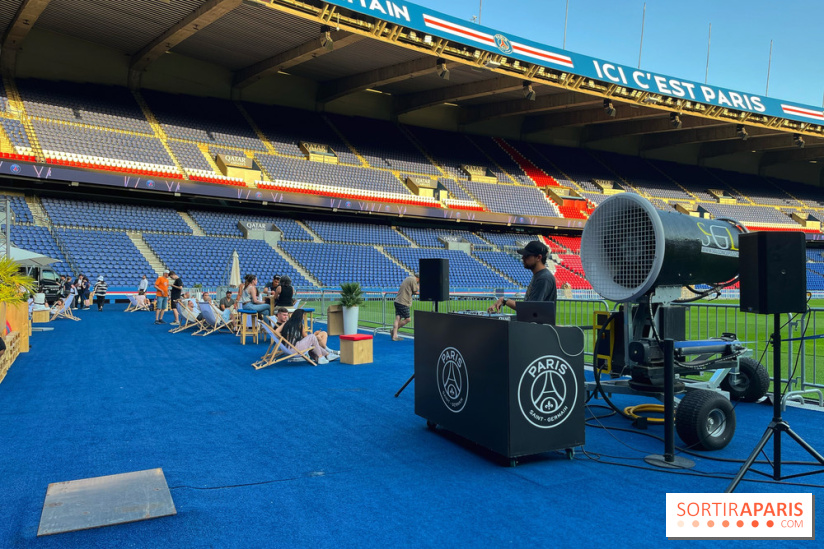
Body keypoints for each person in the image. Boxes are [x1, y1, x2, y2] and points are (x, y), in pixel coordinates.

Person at [488, 240, 556, 313]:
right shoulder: (539, 276)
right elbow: (529, 305)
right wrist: (503, 300)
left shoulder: (544, 278)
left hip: (538, 324)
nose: (523, 258)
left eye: (527, 255)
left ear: (538, 257)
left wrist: (505, 301)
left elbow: (531, 308)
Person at [391, 273, 419, 341]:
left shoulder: (409, 278)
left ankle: (394, 335)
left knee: (398, 318)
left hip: (398, 301)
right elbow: (415, 291)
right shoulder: (413, 280)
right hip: (403, 302)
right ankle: (393, 331)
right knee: (408, 319)